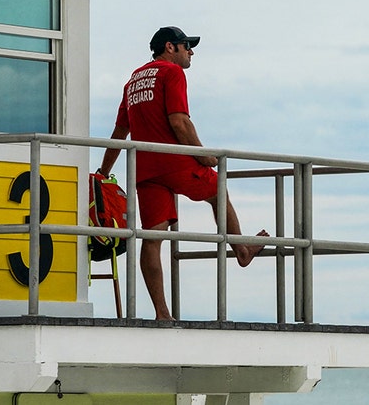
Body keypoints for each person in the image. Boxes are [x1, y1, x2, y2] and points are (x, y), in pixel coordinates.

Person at [98, 26, 268, 321]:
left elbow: (120, 131)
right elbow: (179, 122)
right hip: (174, 160)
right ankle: (241, 250)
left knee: (152, 238)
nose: (191, 52)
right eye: (186, 45)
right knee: (218, 190)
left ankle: (162, 313)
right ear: (170, 47)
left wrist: (103, 171)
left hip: (145, 169)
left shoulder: (133, 80)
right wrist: (204, 155)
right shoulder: (172, 73)